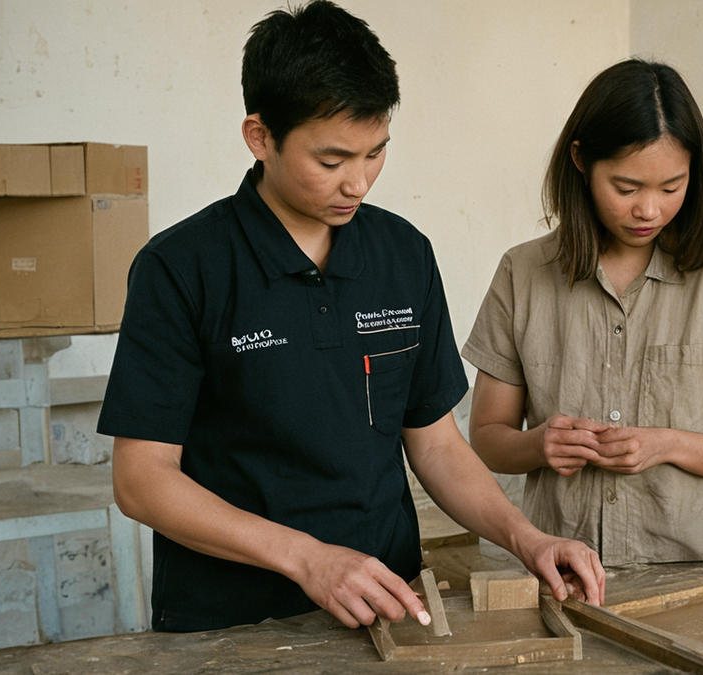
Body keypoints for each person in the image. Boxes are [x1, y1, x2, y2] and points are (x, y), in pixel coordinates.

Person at [97, 0, 603, 633]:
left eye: (376, 153)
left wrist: (526, 538)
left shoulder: (402, 254)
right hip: (232, 622)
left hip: (387, 607)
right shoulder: (182, 267)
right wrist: (307, 559)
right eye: (332, 161)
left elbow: (436, 443)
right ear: (261, 137)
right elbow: (142, 481)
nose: (358, 183)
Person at [461, 58, 703, 567]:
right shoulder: (524, 274)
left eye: (671, 188)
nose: (649, 210)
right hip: (571, 572)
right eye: (626, 188)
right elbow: (488, 438)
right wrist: (539, 445)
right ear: (581, 159)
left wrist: (667, 445)